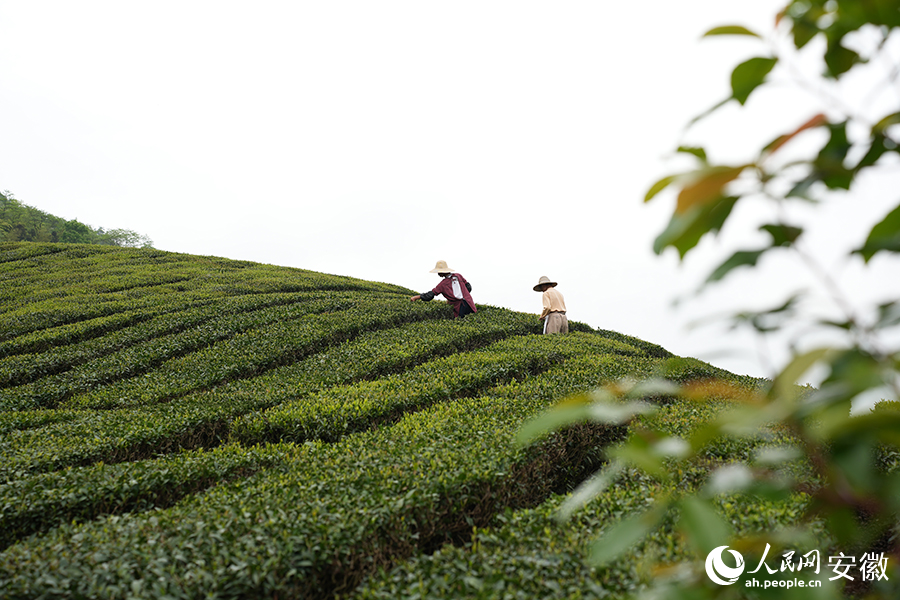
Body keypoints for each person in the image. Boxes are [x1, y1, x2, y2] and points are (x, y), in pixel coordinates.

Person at [410, 260, 477, 318]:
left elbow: (430, 295)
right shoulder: (458, 276)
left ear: (442, 272)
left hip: (460, 308)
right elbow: (468, 287)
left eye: (438, 272)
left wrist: (416, 297)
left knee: (461, 323)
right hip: (469, 303)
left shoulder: (442, 284)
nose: (438, 274)